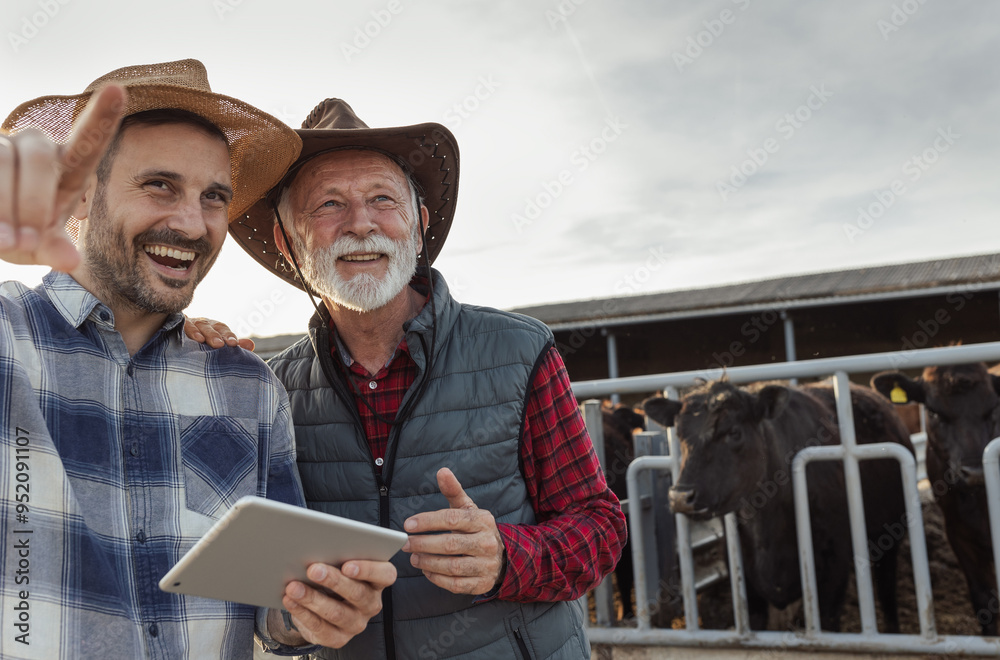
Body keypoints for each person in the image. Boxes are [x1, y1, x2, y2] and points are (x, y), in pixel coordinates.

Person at [0, 61, 394, 658]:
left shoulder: (248, 386)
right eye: (159, 185)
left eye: (214, 197)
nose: (191, 224)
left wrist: (317, 613)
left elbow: (274, 605)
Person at [225, 98, 627, 659]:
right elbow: (257, 594)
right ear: (288, 239)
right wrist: (292, 625)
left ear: (420, 225)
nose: (360, 223)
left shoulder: (520, 351)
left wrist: (508, 557)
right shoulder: (268, 390)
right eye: (328, 204)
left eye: (383, 199)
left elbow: (600, 528)